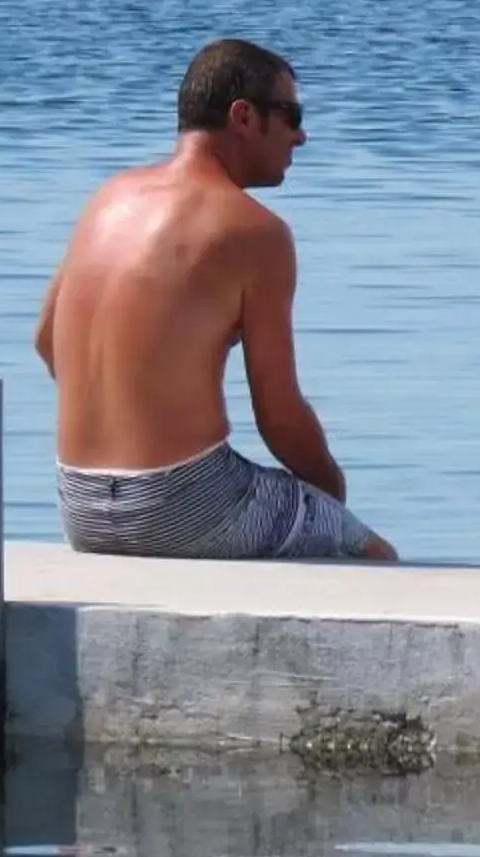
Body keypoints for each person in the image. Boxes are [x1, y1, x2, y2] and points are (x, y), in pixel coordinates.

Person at [35, 38, 395, 561]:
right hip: (182, 500)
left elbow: (47, 343)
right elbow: (280, 415)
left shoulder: (107, 199)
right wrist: (330, 496)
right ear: (244, 116)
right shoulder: (255, 233)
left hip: (81, 505)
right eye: (291, 115)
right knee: (368, 553)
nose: (301, 136)